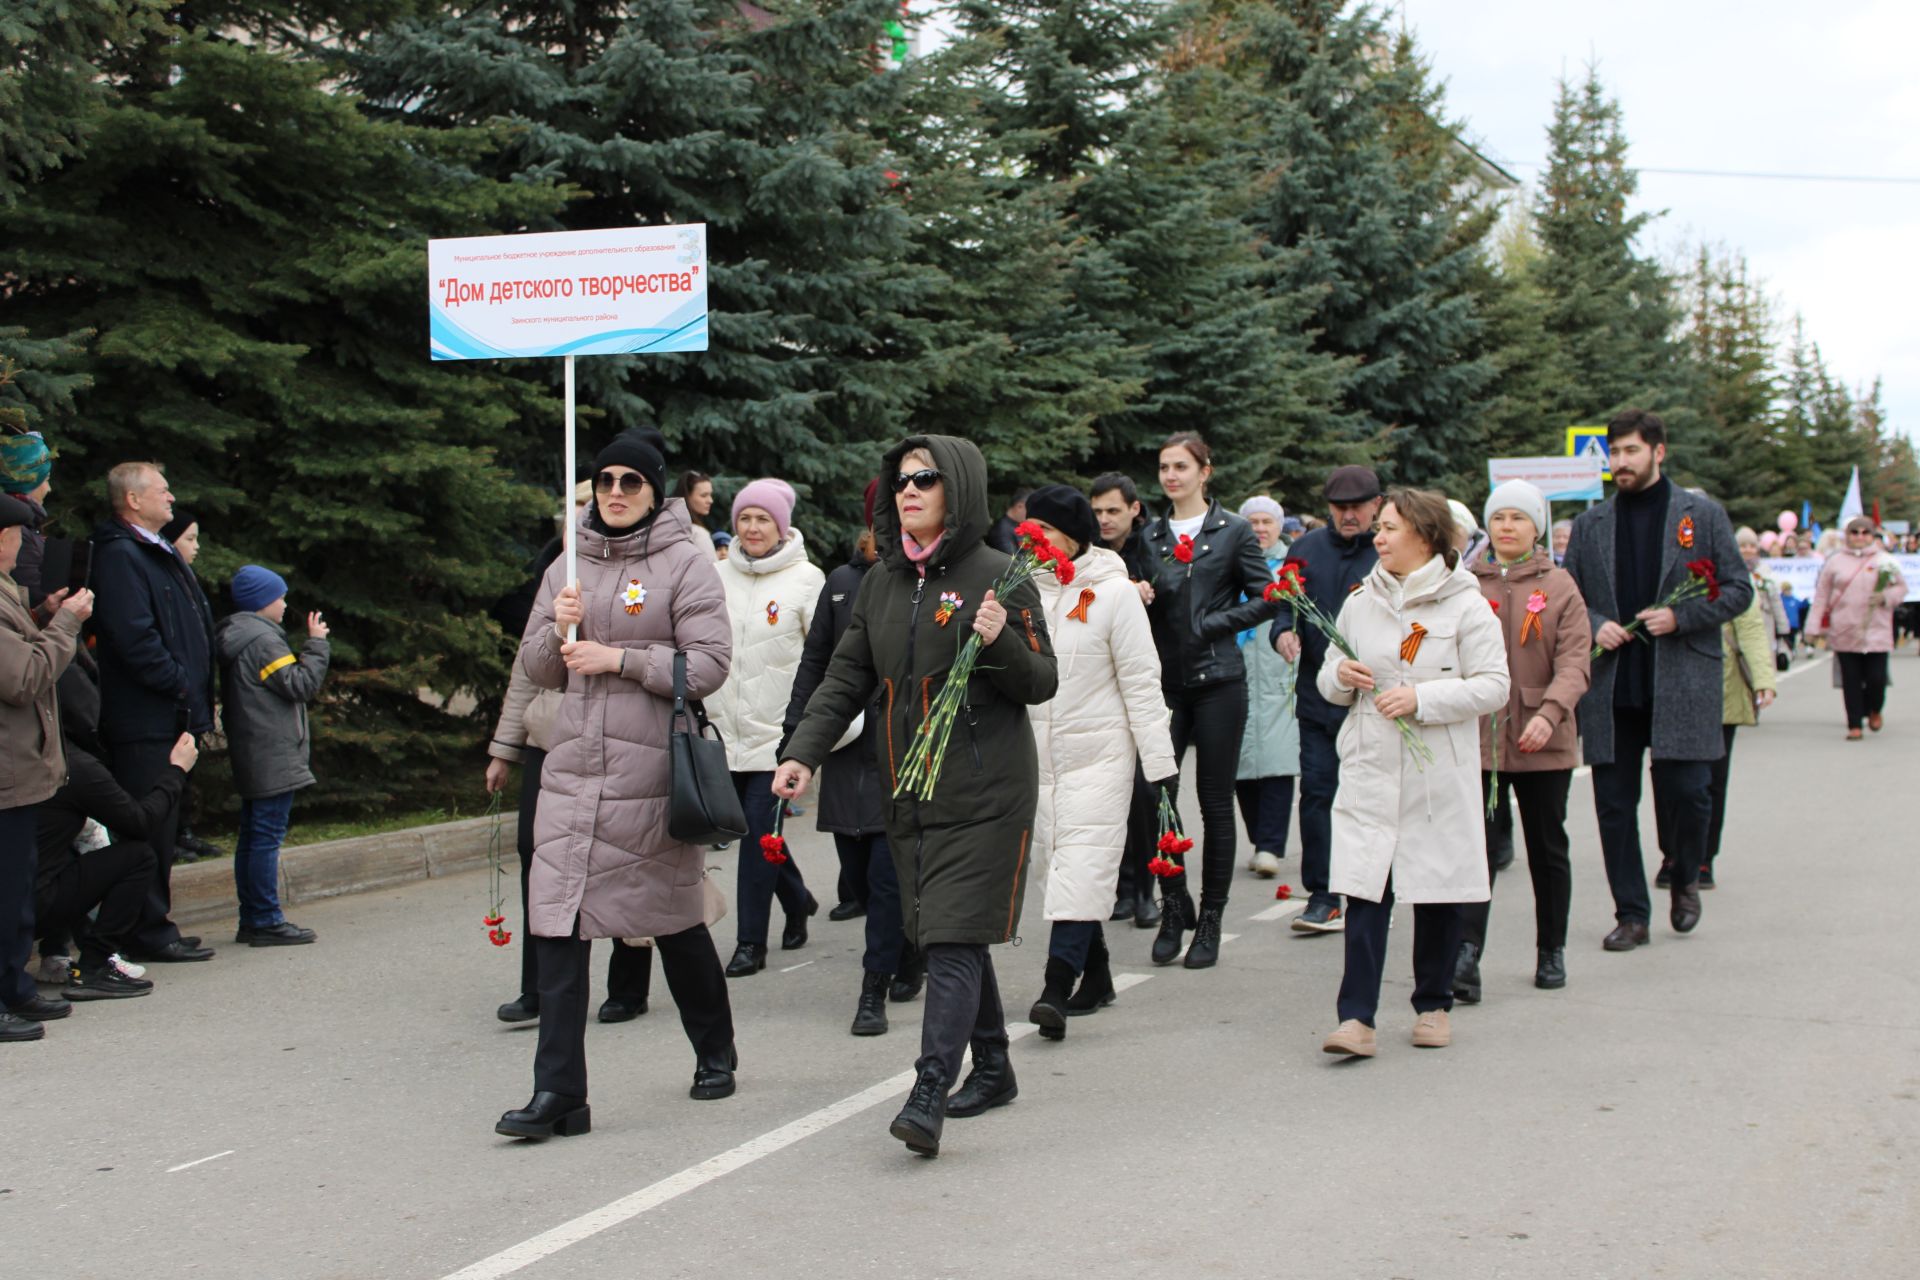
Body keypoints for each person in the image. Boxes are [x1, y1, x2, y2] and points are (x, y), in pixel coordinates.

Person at [775, 434, 1057, 1158]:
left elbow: (1040, 682)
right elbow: (845, 679)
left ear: (956, 488)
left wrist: (999, 641)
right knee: (945, 931)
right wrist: (802, 752)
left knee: (955, 935)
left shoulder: (1003, 574)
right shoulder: (883, 583)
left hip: (987, 789)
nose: (909, 490)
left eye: (926, 479)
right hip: (909, 786)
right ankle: (992, 1066)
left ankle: (930, 1085)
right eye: (901, 479)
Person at [496, 432, 737, 1141]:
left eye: (632, 481)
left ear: (654, 491)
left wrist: (619, 658)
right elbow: (540, 667)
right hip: (573, 771)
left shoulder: (684, 563)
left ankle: (715, 1052)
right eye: (606, 480)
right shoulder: (567, 564)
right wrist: (558, 631)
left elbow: (711, 664)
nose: (616, 492)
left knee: (672, 922)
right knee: (559, 929)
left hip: (651, 774)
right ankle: (559, 1094)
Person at [1318, 489, 1509, 1059]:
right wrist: (1342, 676)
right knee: (1364, 888)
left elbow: (1494, 685)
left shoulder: (1466, 605)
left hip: (1434, 772)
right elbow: (1328, 675)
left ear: (1425, 536)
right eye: (1377, 527)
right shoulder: (1360, 601)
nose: (1377, 536)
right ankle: (1356, 1019)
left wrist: (1422, 698)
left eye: (1390, 528)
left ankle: (1433, 1005)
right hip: (1371, 763)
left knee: (1437, 890)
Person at [1561, 410, 1751, 951]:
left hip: (1682, 681)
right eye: (1614, 453)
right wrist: (1600, 626)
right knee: (1614, 807)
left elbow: (1739, 590)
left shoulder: (1703, 515)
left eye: (1630, 452)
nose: (1620, 462)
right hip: (1615, 687)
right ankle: (1632, 913)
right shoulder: (1593, 524)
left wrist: (1681, 617)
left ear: (1657, 453)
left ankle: (1686, 875)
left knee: (1690, 794)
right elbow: (1570, 598)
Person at [1021, 485, 1176, 1040]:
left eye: (1047, 531)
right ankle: (1099, 976)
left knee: (1082, 865)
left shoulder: (1115, 594)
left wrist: (1159, 763)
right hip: (1038, 759)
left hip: (1101, 755)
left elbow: (1140, 679)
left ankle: (1055, 989)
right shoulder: (1020, 591)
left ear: (1073, 535)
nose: (1034, 541)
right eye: (1029, 530)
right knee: (1058, 870)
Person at [780, 479, 920, 1036]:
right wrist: (797, 738)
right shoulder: (841, 583)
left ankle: (874, 987)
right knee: (858, 877)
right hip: (844, 747)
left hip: (901, 748)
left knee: (889, 876)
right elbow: (816, 663)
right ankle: (909, 949)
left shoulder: (924, 580)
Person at [1138, 434, 1280, 969]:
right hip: (1165, 684)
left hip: (1219, 678)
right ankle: (1175, 907)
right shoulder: (1150, 535)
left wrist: (1212, 624)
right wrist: (1139, 593)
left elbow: (1267, 596)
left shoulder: (1234, 531)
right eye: (1164, 467)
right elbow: (1141, 598)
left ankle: (1212, 920)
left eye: (1181, 466)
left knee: (1215, 801)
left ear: (1205, 472)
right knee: (1160, 798)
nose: (1171, 476)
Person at [1456, 481, 1590, 1003]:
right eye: (1499, 517)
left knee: (1546, 847)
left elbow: (1576, 660)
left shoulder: (1559, 586)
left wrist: (1552, 712)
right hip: (1481, 738)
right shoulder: (1467, 584)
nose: (1507, 526)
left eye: (1518, 517)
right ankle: (1466, 955)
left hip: (1542, 738)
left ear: (1536, 527)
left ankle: (1550, 948)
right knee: (1479, 852)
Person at [90, 462, 217, 963]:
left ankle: (155, 922)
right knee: (149, 825)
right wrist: (181, 685)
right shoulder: (122, 555)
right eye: (162, 491)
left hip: (170, 712)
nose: (171, 498)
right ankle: (143, 930)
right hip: (145, 717)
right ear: (134, 501)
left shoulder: (153, 550)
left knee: (164, 825)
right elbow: (134, 637)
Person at [708, 478, 825, 977]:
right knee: (753, 833)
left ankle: (749, 943)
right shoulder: (713, 575)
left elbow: (821, 659)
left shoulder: (806, 580)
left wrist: (809, 733)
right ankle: (797, 899)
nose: (753, 527)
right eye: (745, 518)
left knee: (759, 836)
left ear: (781, 525)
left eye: (763, 519)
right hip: (719, 732)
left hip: (776, 737)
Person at [34, 654, 196, 1000]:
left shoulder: (24, 756)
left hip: (16, 897)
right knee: (138, 856)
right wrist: (176, 771)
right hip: (31, 903)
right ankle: (94, 963)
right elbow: (140, 823)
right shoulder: (74, 767)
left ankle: (55, 953)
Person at [1270, 465, 1383, 935]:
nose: (1349, 515)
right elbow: (1285, 609)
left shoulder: (1388, 549)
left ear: (1377, 505)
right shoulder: (1306, 549)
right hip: (1318, 697)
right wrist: (1282, 635)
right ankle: (1322, 895)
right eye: (1340, 507)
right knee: (1317, 794)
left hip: (1375, 700)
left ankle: (1376, 890)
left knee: (1372, 799)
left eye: (1358, 506)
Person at [2, 493, 90, 1041]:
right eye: (17, 536)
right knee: (4, 892)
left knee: (16, 889)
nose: (24, 546)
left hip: (17, 772)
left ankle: (14, 988)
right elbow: (24, 678)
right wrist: (67, 625)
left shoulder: (6, 589)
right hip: (6, 774)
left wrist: (43, 616)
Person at [213, 566, 330, 946]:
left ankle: (253, 917)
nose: (284, 604)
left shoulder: (241, 635)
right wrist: (316, 644)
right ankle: (264, 919)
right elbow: (300, 684)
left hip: (254, 746)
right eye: (279, 597)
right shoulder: (264, 641)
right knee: (265, 836)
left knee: (253, 835)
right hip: (271, 749)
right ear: (264, 602)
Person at [1657, 563, 1775, 893]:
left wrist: (1763, 679)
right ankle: (1671, 855)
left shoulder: (1729, 574)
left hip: (1722, 694)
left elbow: (1750, 628)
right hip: (1672, 693)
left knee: (1711, 782)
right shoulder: (1667, 567)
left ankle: (1703, 858)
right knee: (1667, 779)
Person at [1088, 472, 1160, 929]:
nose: (1104, 520)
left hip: (1152, 682)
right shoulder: (1088, 555)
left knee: (1146, 793)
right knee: (1110, 793)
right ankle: (1119, 887)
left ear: (1134, 509)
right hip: (1100, 688)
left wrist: (1145, 593)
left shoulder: (1153, 547)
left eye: (1113, 511)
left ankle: (1147, 891)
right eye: (1096, 512)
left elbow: (1173, 590)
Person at [1234, 495, 1298, 878]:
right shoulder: (1234, 564)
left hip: (1279, 675)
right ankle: (1259, 839)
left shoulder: (1290, 567)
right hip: (1238, 673)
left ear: (1278, 526)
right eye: (1253, 522)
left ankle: (1270, 845)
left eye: (1266, 522)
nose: (1259, 528)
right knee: (1241, 764)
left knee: (1277, 761)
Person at [1807, 516, 1908, 740]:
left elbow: (1901, 588)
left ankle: (1874, 708)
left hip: (1876, 629)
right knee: (1850, 680)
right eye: (1855, 532)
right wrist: (1813, 627)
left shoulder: (1884, 560)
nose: (1860, 537)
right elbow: (1822, 595)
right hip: (1845, 628)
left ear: (1872, 536)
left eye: (1865, 532)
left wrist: (1886, 596)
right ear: (1848, 536)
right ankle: (1854, 724)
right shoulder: (1835, 562)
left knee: (1876, 678)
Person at [157, 510, 219, 865]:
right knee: (174, 768)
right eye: (190, 539)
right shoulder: (165, 578)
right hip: (177, 694)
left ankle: (184, 831)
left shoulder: (186, 578)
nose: (196, 548)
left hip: (192, 693)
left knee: (189, 768)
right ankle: (172, 834)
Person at [1, 430, 54, 605]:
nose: (49, 488)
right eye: (46, 479)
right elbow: (33, 598)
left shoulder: (25, 526)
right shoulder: (16, 528)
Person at [673, 471, 719, 562]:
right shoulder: (697, 533)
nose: (710, 500)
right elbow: (712, 571)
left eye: (710, 495)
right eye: (704, 495)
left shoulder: (665, 527)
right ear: (687, 497)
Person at [984, 487, 1032, 556]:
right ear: (1019, 506)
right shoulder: (1001, 530)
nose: (1032, 514)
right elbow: (1012, 560)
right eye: (1030, 509)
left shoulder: (1016, 524)